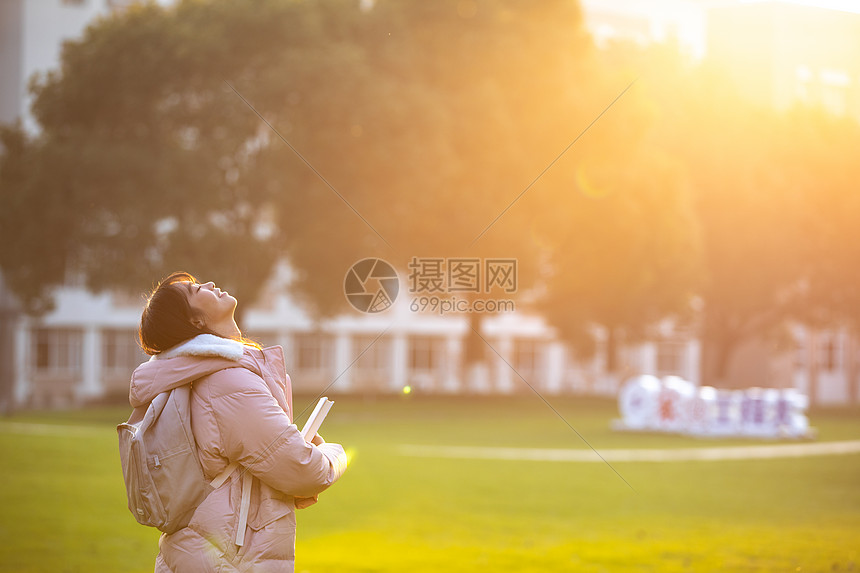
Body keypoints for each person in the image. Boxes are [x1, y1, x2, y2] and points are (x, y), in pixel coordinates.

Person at [130, 271, 347, 572]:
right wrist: (334, 454)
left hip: (208, 554)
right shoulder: (228, 382)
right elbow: (304, 470)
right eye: (195, 291)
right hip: (228, 560)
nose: (207, 284)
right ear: (195, 321)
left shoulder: (202, 375)